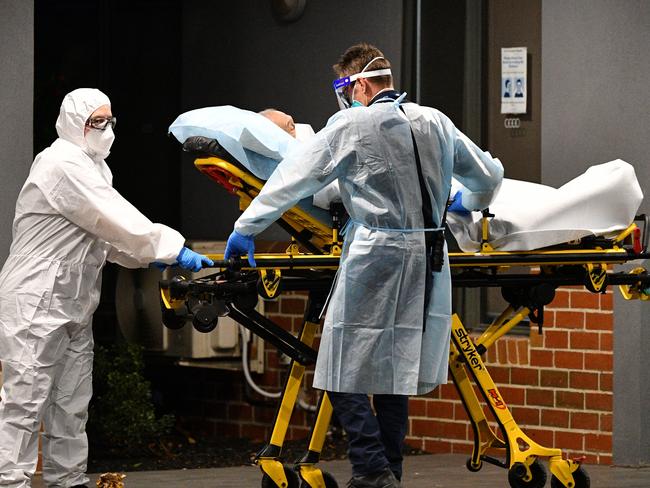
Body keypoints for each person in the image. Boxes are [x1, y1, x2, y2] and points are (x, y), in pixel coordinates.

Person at [224, 44, 503, 487]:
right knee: (396, 365)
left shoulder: (350, 125)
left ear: (359, 84)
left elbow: (290, 181)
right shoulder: (435, 121)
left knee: (337, 364)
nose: (346, 98)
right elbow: (489, 176)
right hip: (430, 256)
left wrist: (246, 228)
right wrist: (470, 201)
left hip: (376, 254)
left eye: (345, 89)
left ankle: (372, 469)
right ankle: (389, 470)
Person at [0, 88, 213, 488]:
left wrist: (156, 256)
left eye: (110, 120)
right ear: (73, 123)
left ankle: (68, 479)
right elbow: (113, 218)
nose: (106, 129)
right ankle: (9, 482)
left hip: (73, 298)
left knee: (72, 399)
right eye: (97, 121)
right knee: (25, 401)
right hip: (35, 296)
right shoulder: (60, 163)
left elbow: (108, 240)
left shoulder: (95, 169)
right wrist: (172, 247)